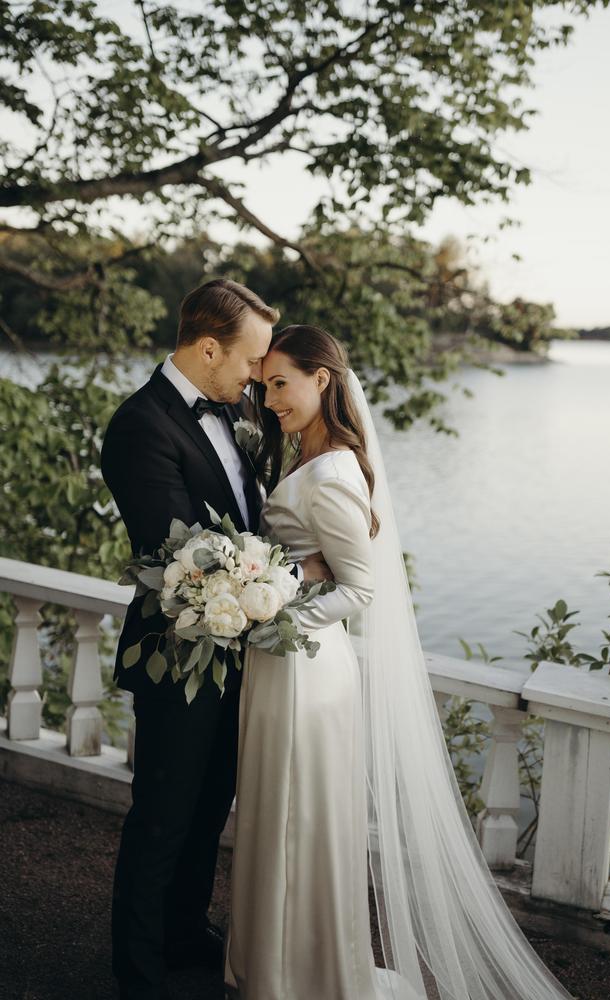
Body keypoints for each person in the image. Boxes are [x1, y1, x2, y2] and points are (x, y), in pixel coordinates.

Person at [224, 325, 575, 1000]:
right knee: (279, 816)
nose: (269, 400)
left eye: (280, 384)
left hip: (304, 669)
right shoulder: (306, 454)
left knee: (302, 821)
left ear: (320, 379)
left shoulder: (329, 472)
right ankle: (277, 965)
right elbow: (306, 563)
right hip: (281, 665)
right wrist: (275, 580)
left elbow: (359, 590)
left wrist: (268, 604)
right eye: (263, 385)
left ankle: (305, 976)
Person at [101, 280, 329, 1000]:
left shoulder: (232, 415)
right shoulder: (140, 426)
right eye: (253, 360)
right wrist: (297, 572)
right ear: (208, 349)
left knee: (208, 810)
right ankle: (138, 972)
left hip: (236, 653)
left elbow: (246, 520)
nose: (259, 377)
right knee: (163, 819)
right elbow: (185, 557)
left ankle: (181, 930)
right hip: (177, 658)